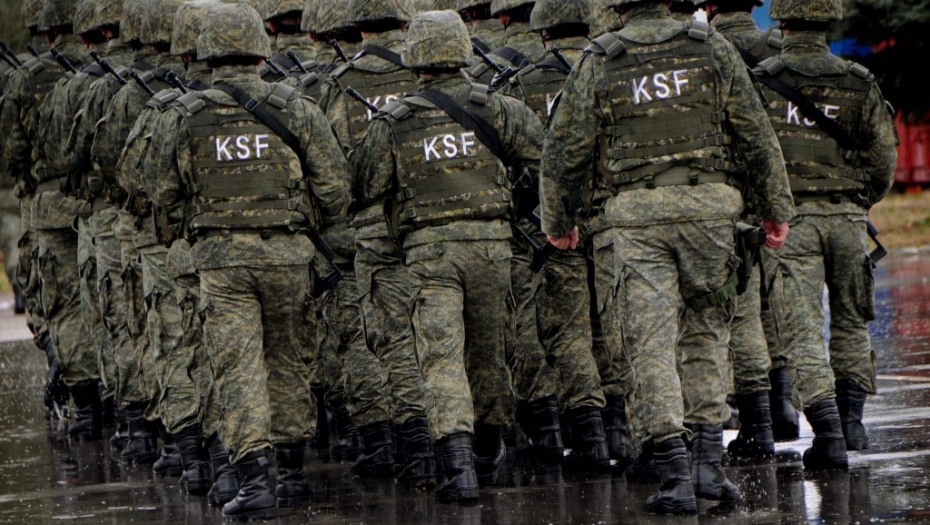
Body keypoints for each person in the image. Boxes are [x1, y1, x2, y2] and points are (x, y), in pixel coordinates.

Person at [540, 0, 794, 513]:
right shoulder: (711, 47)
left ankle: (674, 473)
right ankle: (708, 467)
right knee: (707, 334)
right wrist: (775, 208)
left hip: (638, 219)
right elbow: (755, 133)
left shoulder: (600, 58)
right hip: (710, 213)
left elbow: (565, 148)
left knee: (650, 342)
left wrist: (558, 220)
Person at [145, 2, 351, 518]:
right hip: (288, 256)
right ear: (261, 51)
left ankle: (255, 482)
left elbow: (159, 191)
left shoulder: (182, 115)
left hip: (222, 263)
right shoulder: (295, 106)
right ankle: (294, 475)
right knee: (289, 361)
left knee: (238, 368)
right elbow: (334, 187)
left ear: (207, 53)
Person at [352, 9, 545, 502]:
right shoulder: (498, 108)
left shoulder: (393, 122)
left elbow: (365, 187)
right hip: (492, 247)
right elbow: (548, 161)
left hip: (430, 252)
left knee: (441, 358)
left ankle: (459, 472)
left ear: (414, 57)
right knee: (490, 353)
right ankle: (487, 455)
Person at [756, 0, 897, 467]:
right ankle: (853, 423)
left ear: (782, 21)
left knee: (801, 331)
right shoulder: (859, 81)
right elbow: (883, 160)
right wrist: (858, 201)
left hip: (791, 222)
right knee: (852, 322)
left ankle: (828, 434)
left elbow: (752, 156)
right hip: (848, 221)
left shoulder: (763, 82)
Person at [319, 0, 436, 487]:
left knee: (377, 339)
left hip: (368, 233)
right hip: (433, 221)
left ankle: (391, 444)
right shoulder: (429, 69)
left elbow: (329, 171)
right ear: (405, 21)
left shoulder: (337, 84)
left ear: (355, 26)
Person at [498, 0, 612, 469]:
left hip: (554, 228)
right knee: (612, 328)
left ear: (542, 31)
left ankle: (570, 435)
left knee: (561, 333)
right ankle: (617, 432)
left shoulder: (520, 85)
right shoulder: (611, 67)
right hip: (609, 219)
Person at [698, 0, 791, 457]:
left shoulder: (704, 49)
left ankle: (739, 416)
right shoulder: (778, 48)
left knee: (733, 310)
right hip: (781, 193)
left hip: (725, 198)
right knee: (774, 307)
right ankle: (781, 407)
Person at [29, 0, 107, 442]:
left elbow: (18, 148)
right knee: (112, 303)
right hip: (106, 207)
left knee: (69, 307)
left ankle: (89, 405)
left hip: (54, 204)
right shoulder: (119, 78)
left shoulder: (36, 79)